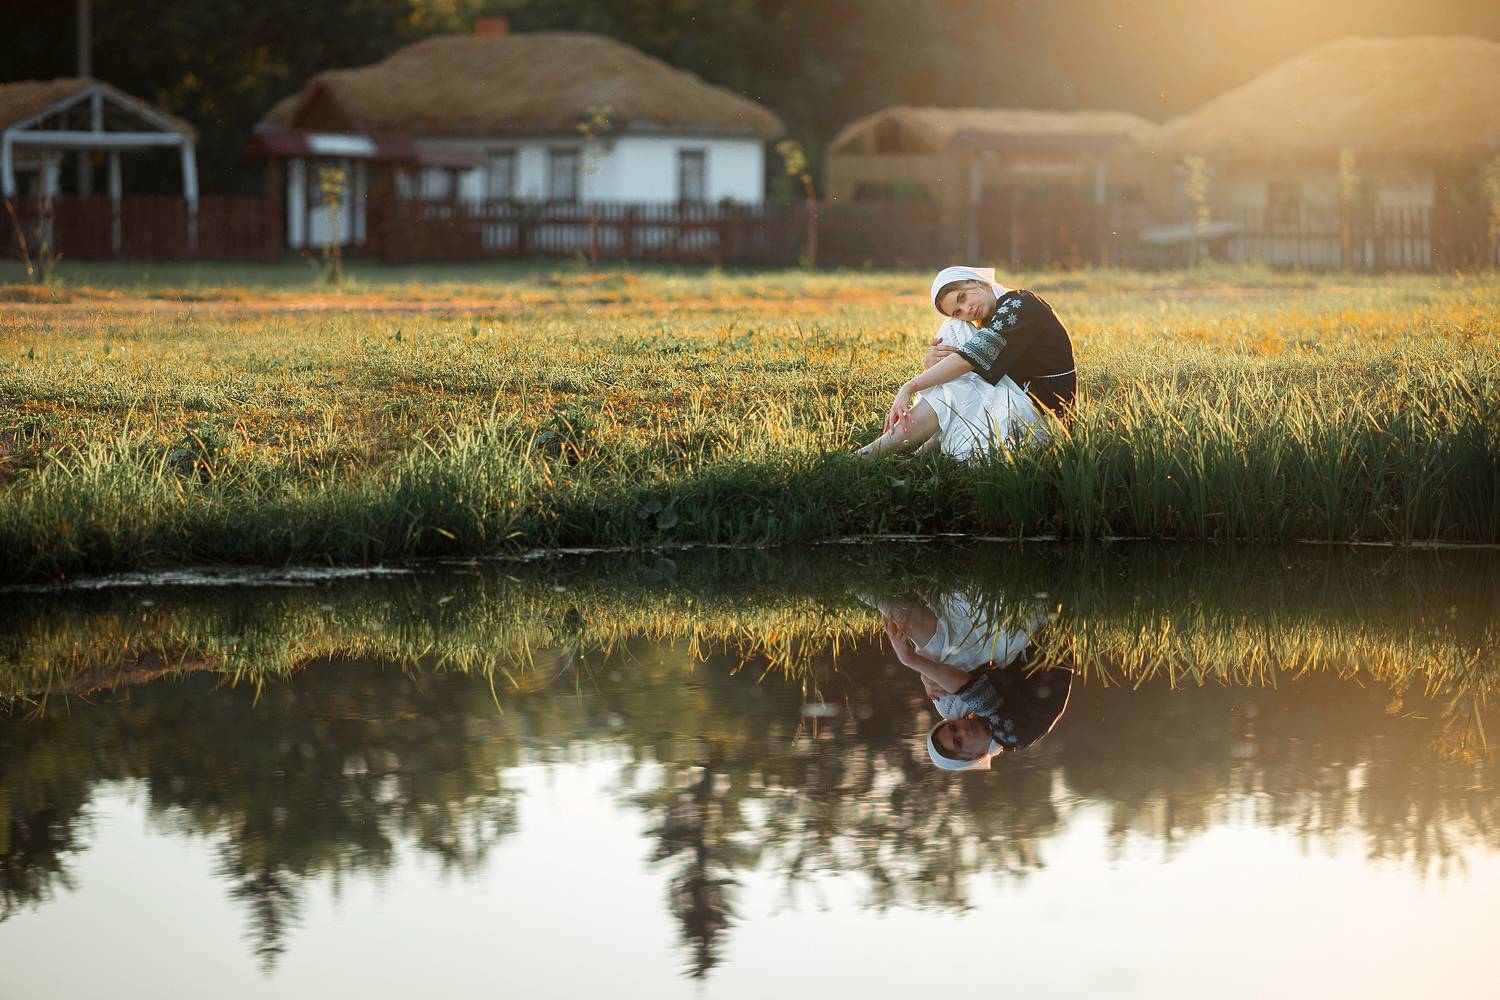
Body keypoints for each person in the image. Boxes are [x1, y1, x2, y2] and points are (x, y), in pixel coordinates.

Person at [855, 266, 1077, 459]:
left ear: (976, 281)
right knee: (955, 336)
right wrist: (932, 363)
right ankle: (919, 449)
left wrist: (910, 386)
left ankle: (872, 454)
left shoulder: (1020, 304)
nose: (966, 310)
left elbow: (968, 360)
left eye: (962, 298)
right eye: (958, 311)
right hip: (1024, 403)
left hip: (1045, 420)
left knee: (957, 381)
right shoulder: (993, 316)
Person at [884, 606, 1072, 772]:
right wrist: (911, 661)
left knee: (947, 662)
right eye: (959, 742)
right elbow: (969, 687)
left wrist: (926, 676)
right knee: (950, 661)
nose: (963, 731)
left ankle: (888, 601)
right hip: (1050, 633)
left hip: (1036, 638)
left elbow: (976, 678)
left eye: (954, 727)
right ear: (971, 757)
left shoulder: (991, 725)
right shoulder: (1011, 737)